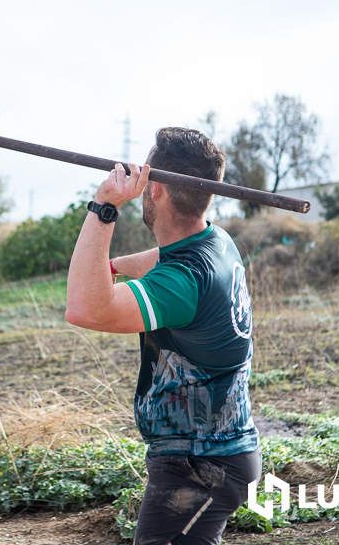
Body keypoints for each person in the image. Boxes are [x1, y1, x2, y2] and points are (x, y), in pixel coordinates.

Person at [65, 127, 261, 545]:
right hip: (218, 452)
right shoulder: (214, 241)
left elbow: (84, 308)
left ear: (154, 191)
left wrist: (104, 206)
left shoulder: (183, 281)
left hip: (200, 465)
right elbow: (160, 258)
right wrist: (110, 267)